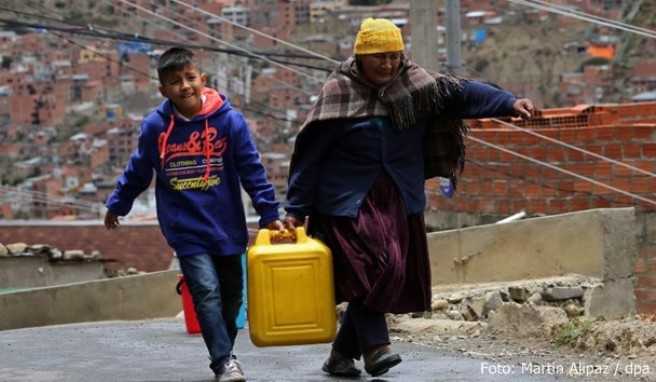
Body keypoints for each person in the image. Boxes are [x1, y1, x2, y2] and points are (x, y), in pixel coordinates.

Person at [283, 18, 534, 378]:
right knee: (375, 264)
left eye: (394, 57)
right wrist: (295, 209)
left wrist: (508, 102)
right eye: (379, 58)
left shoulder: (417, 84)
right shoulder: (338, 91)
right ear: (360, 57)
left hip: (399, 194)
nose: (387, 65)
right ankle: (376, 348)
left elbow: (464, 94)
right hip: (346, 200)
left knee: (393, 268)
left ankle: (341, 354)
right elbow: (309, 156)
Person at [104, 47, 283, 382]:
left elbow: (252, 170)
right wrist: (118, 203)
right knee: (206, 291)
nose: (184, 86)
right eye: (174, 82)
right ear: (163, 90)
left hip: (226, 224)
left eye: (189, 78)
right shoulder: (155, 127)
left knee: (232, 295)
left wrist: (268, 212)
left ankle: (225, 353)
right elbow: (139, 170)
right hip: (184, 226)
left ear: (202, 79)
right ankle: (222, 363)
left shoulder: (230, 121)